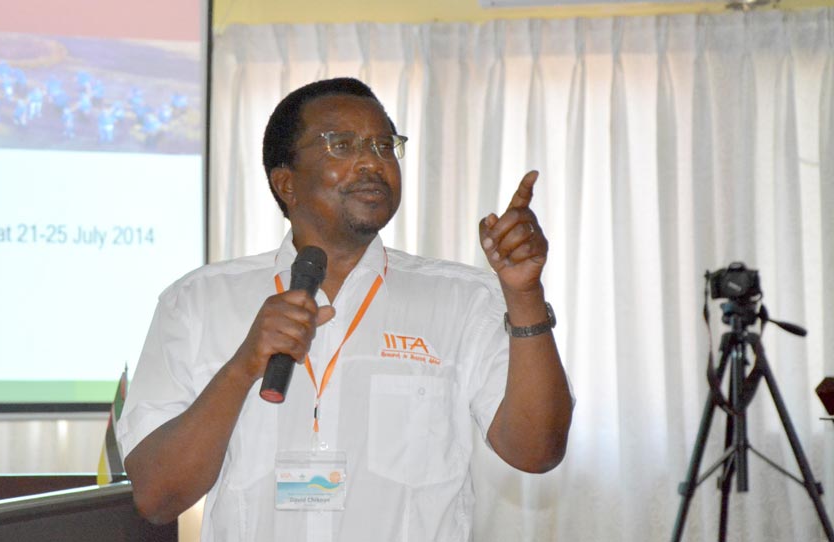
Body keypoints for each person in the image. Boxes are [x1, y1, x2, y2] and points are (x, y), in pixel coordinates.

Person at [117, 77, 573, 541]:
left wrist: (525, 296)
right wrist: (241, 368)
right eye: (342, 144)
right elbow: (156, 497)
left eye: (384, 145)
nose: (372, 161)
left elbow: (537, 451)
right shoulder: (196, 303)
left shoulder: (464, 299)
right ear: (286, 183)